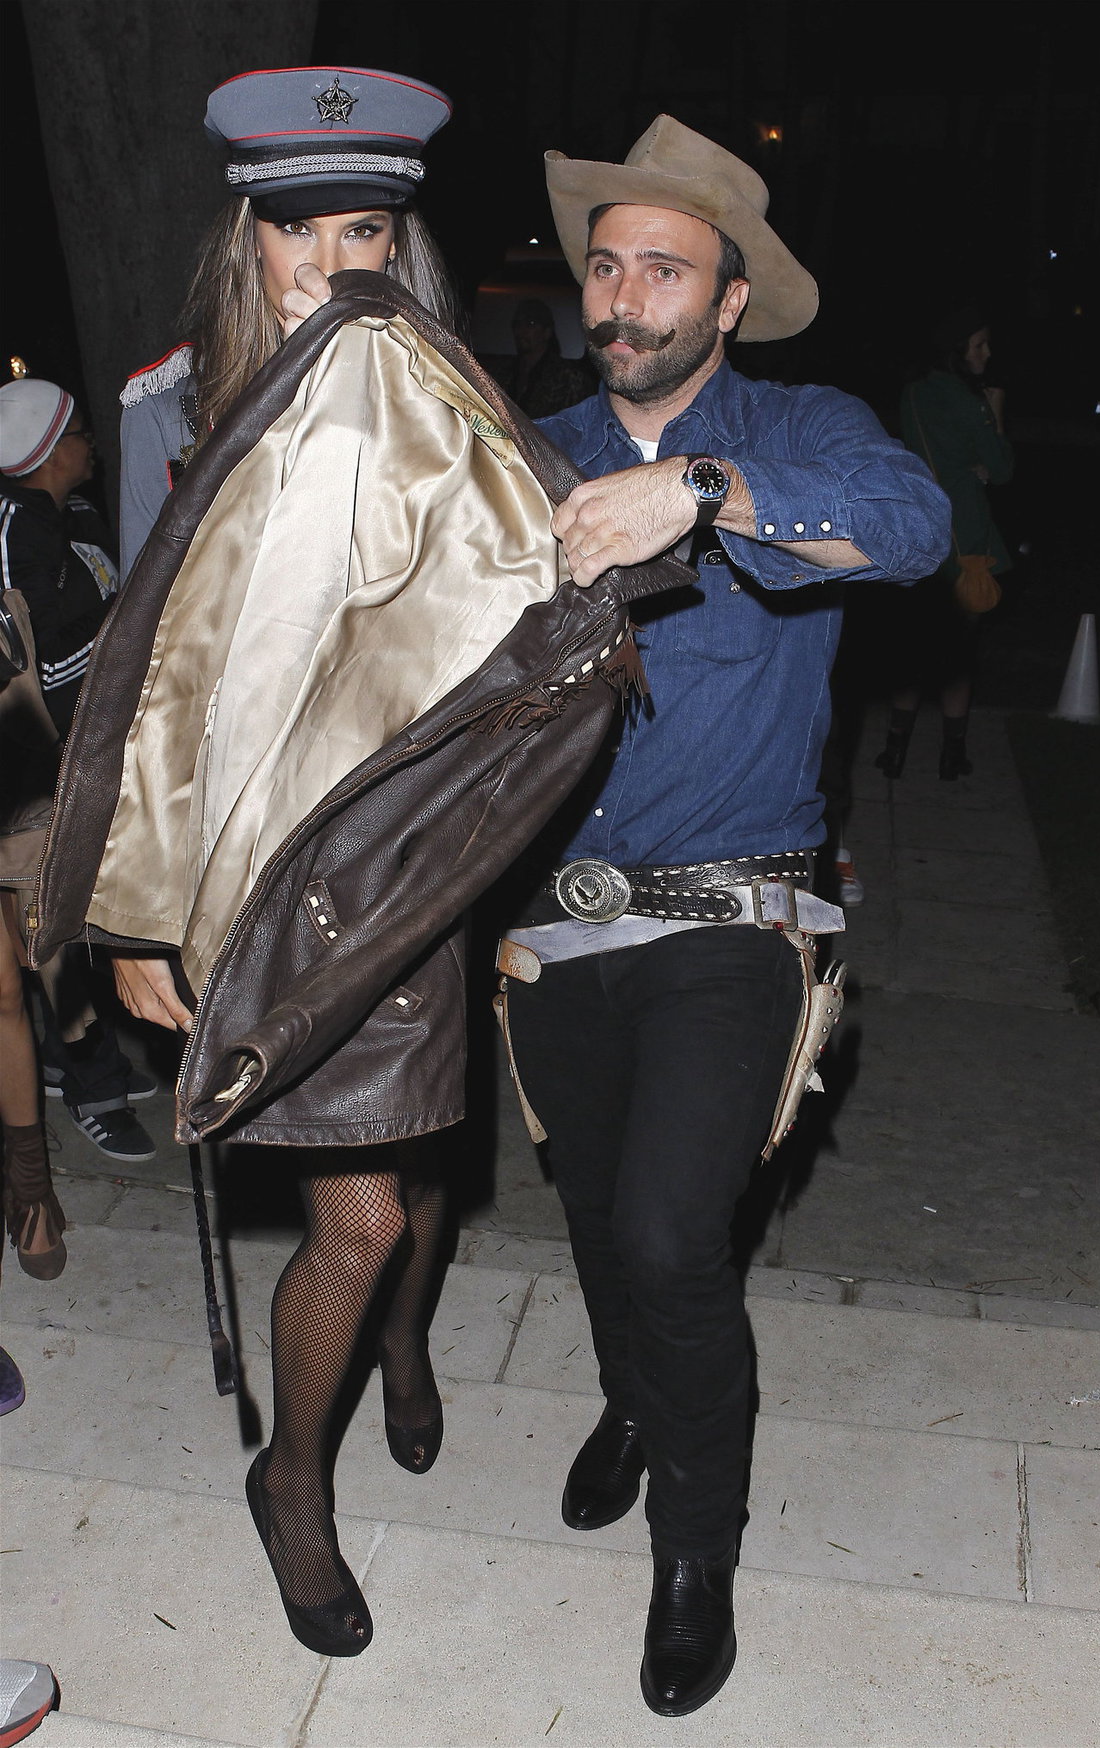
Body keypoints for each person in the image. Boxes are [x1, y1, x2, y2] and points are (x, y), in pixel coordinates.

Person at [498, 117, 949, 1716]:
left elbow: (910, 532)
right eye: (607, 264)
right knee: (601, 1228)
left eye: (663, 271)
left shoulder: (797, 430)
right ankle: (636, 1397)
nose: (625, 296)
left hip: (729, 920)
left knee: (671, 1235)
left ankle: (695, 1551)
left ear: (728, 300)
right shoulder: (524, 445)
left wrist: (698, 492)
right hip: (549, 927)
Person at [112, 65, 461, 1658]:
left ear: (403, 239)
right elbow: (137, 686)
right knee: (364, 1213)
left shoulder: (453, 403)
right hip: (257, 878)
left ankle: (395, 1348)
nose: (335, 265)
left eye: (366, 228)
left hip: (414, 862)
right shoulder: (166, 416)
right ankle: (292, 1484)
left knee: (420, 1166)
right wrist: (133, 915)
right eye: (300, 233)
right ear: (248, 242)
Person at [0, 377, 155, 1191]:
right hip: (30, 768)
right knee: (50, 927)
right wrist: (122, 636)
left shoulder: (72, 517)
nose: (93, 444)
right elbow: (41, 669)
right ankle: (89, 1085)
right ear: (54, 449)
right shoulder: (17, 534)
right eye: (82, 434)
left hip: (76, 754)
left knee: (77, 918)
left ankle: (79, 1063)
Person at [873, 307, 1014, 780]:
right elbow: (1004, 467)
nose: (987, 353)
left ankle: (895, 752)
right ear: (959, 352)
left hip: (919, 527)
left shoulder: (915, 393)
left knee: (912, 650)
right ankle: (952, 756)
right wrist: (994, 413)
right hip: (966, 533)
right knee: (959, 655)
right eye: (979, 346)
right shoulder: (971, 401)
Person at [490, 297, 593, 420]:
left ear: (547, 332)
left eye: (531, 324)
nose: (521, 331)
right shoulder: (502, 374)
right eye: (517, 324)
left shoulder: (569, 378)